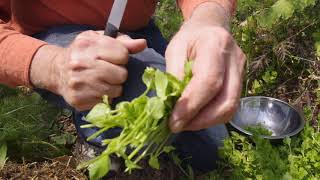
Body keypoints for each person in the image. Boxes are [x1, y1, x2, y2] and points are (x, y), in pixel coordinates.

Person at [0, 0, 245, 173]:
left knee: (211, 141)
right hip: (51, 34)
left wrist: (208, 18)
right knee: (192, 140)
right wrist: (53, 66)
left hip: (137, 29)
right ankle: (96, 138)